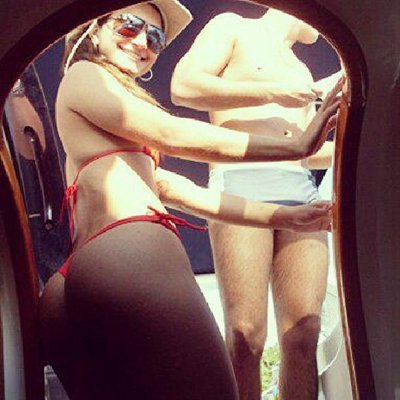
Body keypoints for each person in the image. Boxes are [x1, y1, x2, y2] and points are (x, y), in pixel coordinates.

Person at [38, 1, 341, 399]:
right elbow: (171, 134)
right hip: (130, 245)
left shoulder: (108, 124)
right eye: (129, 26)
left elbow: (180, 191)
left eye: (155, 37)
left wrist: (288, 216)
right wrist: (296, 146)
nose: (142, 42)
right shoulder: (84, 73)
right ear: (94, 29)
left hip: (80, 268)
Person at [171, 6, 342, 400]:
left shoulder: (301, 70)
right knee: (245, 333)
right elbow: (184, 86)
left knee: (304, 330)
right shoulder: (234, 26)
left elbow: (301, 149)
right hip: (241, 183)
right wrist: (277, 91)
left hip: (299, 185)